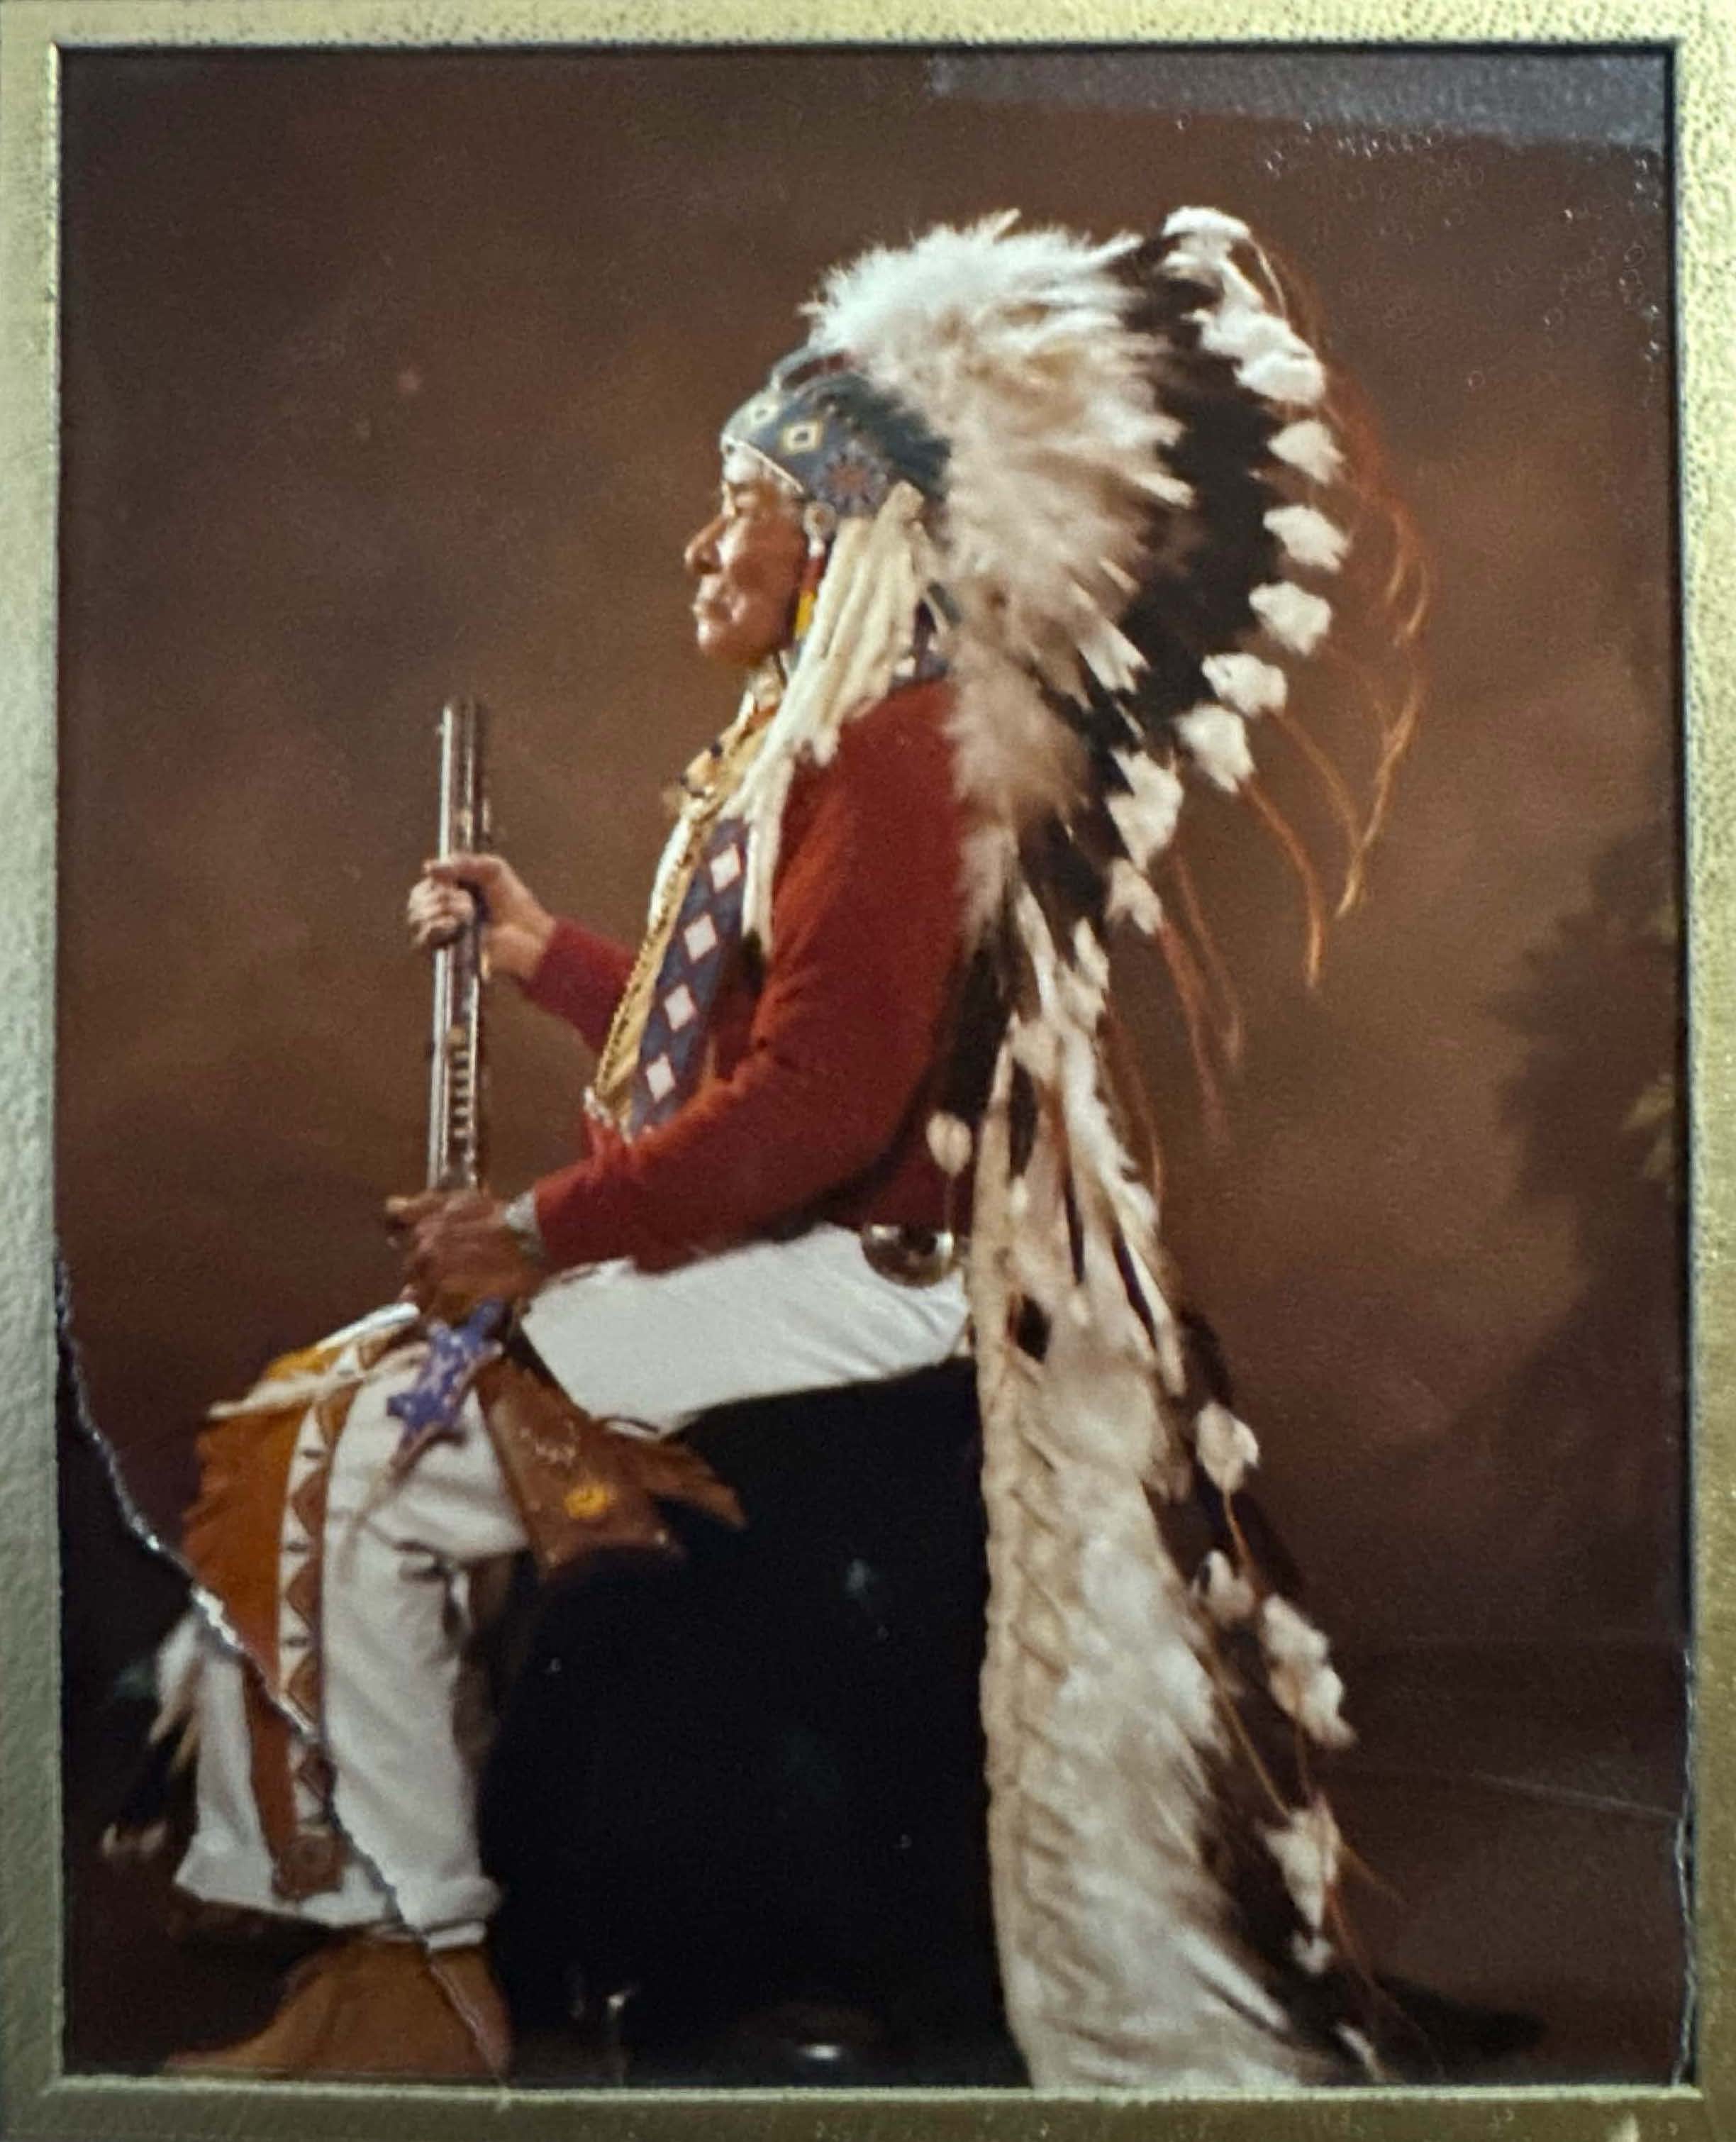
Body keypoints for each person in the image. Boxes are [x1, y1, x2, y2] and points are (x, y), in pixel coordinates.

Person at [149, 208, 1421, 2090]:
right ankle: (378, 1936)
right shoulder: (815, 747)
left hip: (861, 1289)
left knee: (363, 1449)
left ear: (832, 529)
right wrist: (546, 955)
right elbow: (740, 1043)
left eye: (734, 498)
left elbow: (822, 1108)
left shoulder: (894, 760)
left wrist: (535, 1224)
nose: (703, 536)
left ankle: (414, 1968)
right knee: (343, 1423)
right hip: (791, 1255)